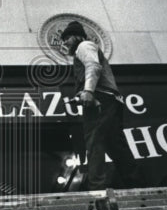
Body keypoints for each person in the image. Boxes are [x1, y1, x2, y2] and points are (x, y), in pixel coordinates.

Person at [59, 21, 138, 190]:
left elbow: (93, 66)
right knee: (115, 145)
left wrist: (88, 91)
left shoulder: (84, 46)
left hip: (99, 100)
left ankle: (96, 188)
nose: (64, 42)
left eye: (67, 38)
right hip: (110, 100)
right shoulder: (85, 49)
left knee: (94, 142)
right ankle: (136, 183)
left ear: (77, 36)